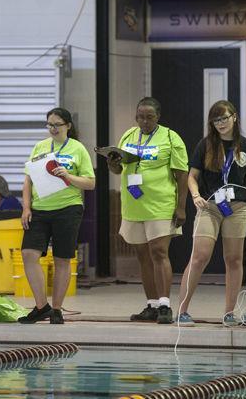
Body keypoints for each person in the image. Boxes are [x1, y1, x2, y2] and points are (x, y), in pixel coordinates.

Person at [176, 100, 246, 327]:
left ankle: (229, 313)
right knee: (200, 256)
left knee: (234, 259)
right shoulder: (206, 145)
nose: (220, 123)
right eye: (216, 120)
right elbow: (192, 176)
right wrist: (195, 195)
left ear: (234, 118)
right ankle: (182, 311)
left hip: (237, 209)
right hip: (209, 207)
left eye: (224, 118)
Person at [107, 97, 188, 324]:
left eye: (149, 117)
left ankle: (165, 305)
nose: (144, 121)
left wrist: (181, 207)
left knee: (159, 253)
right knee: (142, 256)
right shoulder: (127, 136)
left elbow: (182, 174)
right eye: (140, 117)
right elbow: (118, 169)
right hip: (134, 205)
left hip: (161, 205)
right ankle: (151, 305)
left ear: (158, 117)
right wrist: (112, 163)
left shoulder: (171, 138)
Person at [18, 107, 95, 324]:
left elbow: (90, 182)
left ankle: (57, 309)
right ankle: (42, 306)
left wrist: (68, 176)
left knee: (62, 259)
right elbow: (28, 180)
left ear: (68, 126)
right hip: (40, 209)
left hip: (68, 208)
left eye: (57, 125)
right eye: (49, 124)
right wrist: (26, 207)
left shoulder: (78, 149)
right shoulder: (40, 147)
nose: (52, 129)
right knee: (28, 254)